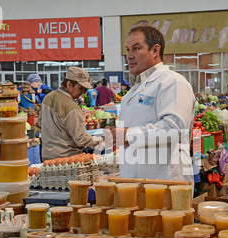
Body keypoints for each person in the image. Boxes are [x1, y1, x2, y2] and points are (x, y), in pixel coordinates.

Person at [105, 25, 195, 185]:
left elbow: (173, 129)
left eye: (136, 48)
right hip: (135, 183)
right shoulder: (134, 90)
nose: (129, 56)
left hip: (167, 181)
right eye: (127, 50)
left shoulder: (172, 82)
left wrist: (128, 135)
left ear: (155, 50)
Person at [38, 67, 103, 161]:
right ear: (69, 84)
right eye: (80, 88)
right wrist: (102, 141)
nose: (82, 93)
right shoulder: (72, 108)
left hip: (47, 157)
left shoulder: (48, 97)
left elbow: (40, 125)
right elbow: (81, 139)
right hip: (67, 160)